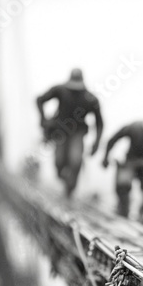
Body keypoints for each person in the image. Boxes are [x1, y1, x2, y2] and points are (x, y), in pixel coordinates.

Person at [36, 68, 103, 197]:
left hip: (77, 133)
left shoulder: (90, 99)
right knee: (59, 162)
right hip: (60, 132)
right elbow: (40, 100)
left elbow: (99, 123)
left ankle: (70, 187)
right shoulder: (60, 91)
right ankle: (65, 179)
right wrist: (43, 119)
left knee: (75, 160)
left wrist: (97, 142)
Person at [101, 114, 143, 224]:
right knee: (123, 183)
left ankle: (141, 211)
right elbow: (113, 139)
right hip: (130, 161)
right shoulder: (135, 127)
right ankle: (123, 209)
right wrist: (105, 157)